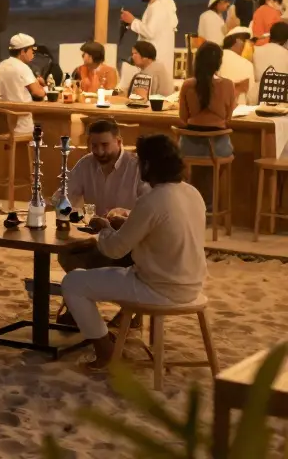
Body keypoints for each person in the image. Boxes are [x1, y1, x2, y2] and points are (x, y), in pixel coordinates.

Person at [60, 134, 207, 369]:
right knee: (97, 275)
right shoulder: (192, 193)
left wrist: (104, 227)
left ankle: (106, 351)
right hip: (192, 285)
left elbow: (114, 250)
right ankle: (111, 335)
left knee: (73, 283)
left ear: (148, 164)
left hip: (158, 288)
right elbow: (163, 230)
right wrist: (127, 223)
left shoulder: (152, 199)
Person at [54, 119, 149, 273]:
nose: (99, 151)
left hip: (128, 241)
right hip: (97, 237)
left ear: (119, 142)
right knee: (66, 254)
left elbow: (149, 211)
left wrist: (124, 215)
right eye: (94, 146)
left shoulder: (136, 167)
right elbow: (62, 196)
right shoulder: (86, 163)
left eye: (105, 145)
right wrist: (68, 210)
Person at [178, 42, 236, 158]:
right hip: (219, 149)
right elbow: (228, 119)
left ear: (197, 61)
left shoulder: (187, 85)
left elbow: (183, 118)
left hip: (189, 148)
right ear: (219, 63)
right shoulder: (228, 85)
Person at [121, 0, 178, 77]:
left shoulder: (158, 7)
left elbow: (150, 32)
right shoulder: (153, 5)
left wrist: (133, 21)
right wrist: (130, 24)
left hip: (157, 58)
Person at [0, 33, 46, 135]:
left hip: (3, 124)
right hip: (21, 124)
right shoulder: (23, 68)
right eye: (31, 50)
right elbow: (38, 93)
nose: (33, 53)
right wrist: (42, 86)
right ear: (22, 52)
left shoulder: (2, 65)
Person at [217, 27, 254, 106]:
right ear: (237, 41)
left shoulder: (214, 59)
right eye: (244, 41)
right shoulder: (246, 64)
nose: (245, 45)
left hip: (216, 109)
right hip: (239, 110)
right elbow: (251, 98)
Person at [253, 21, 288, 97]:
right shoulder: (286, 54)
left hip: (257, 96)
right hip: (281, 97)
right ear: (286, 40)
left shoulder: (255, 51)